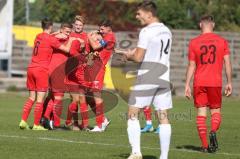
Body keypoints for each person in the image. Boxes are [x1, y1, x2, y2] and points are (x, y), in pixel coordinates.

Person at [117, 1, 173, 159]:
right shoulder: (166, 30)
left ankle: (136, 153)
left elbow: (138, 57)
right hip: (163, 77)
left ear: (149, 14)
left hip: (148, 76)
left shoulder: (146, 31)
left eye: (139, 13)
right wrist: (133, 52)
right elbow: (151, 50)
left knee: (132, 114)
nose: (136, 16)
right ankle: (164, 157)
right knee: (163, 117)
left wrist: (129, 56)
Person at [19, 18, 78, 130]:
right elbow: (66, 49)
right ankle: (37, 125)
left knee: (31, 98)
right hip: (41, 70)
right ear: (51, 27)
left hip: (31, 68)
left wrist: (57, 33)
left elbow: (49, 36)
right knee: (41, 99)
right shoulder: (51, 40)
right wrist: (71, 39)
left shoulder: (38, 36)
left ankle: (23, 121)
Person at [185, 15, 232, 152]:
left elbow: (191, 65)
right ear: (213, 24)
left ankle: (205, 146)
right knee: (215, 111)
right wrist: (229, 82)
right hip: (215, 82)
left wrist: (187, 84)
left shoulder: (194, 42)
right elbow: (227, 63)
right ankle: (213, 131)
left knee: (201, 113)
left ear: (200, 25)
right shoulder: (222, 42)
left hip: (199, 82)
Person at [42, 22, 75, 129]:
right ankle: (55, 124)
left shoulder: (56, 37)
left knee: (52, 96)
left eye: (70, 32)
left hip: (52, 70)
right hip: (57, 71)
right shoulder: (60, 39)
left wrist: (57, 34)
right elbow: (69, 49)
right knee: (59, 98)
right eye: (66, 32)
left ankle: (45, 118)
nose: (68, 34)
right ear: (61, 30)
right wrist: (59, 35)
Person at [87, 19, 116, 132]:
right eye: (100, 28)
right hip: (94, 67)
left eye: (102, 29)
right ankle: (103, 120)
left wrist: (90, 36)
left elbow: (95, 47)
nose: (100, 31)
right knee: (89, 97)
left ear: (109, 28)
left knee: (96, 96)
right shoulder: (108, 37)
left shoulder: (109, 37)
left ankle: (99, 125)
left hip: (98, 69)